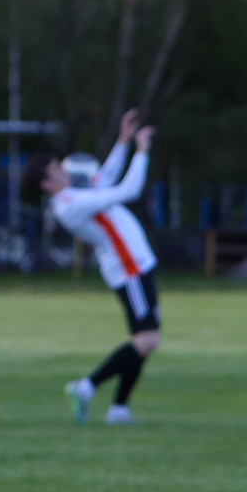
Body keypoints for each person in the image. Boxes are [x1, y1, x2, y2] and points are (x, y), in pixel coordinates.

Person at [47, 111, 161, 425]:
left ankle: (119, 409)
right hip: (129, 268)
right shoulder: (72, 202)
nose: (63, 172)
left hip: (138, 265)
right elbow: (128, 189)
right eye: (57, 169)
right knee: (147, 339)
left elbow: (105, 176)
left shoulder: (81, 193)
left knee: (144, 342)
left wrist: (123, 140)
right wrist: (141, 151)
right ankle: (86, 387)